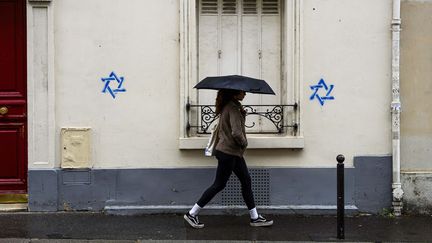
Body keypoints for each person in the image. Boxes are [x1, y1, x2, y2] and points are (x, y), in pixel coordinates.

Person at [184, 89, 273, 229]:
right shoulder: (232, 108)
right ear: (234, 94)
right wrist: (244, 143)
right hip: (228, 152)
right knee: (219, 184)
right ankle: (192, 213)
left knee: (246, 180)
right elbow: (236, 133)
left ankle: (255, 217)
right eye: (242, 92)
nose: (245, 94)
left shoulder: (232, 106)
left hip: (232, 153)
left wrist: (242, 114)